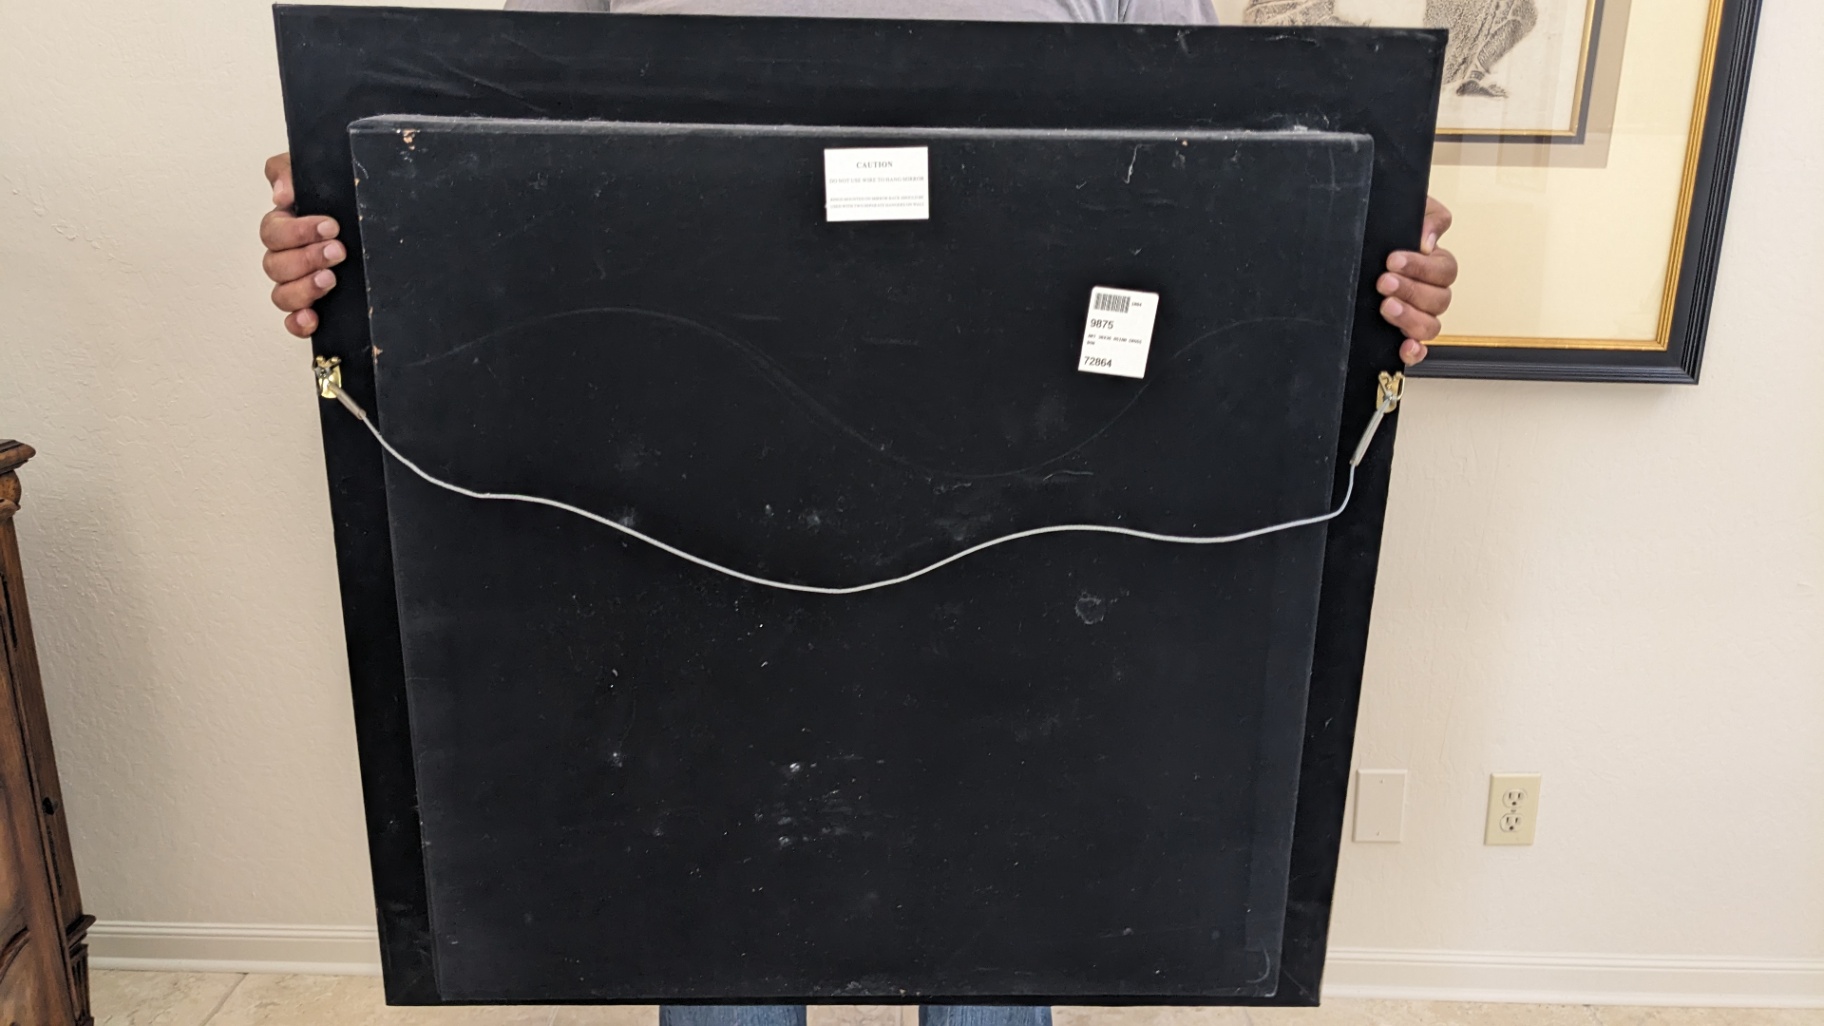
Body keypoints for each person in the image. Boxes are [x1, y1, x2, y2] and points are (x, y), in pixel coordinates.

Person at [259, 5, 1455, 1025]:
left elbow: (1241, 159)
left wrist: (1364, 253)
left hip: (1036, 533)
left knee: (1002, 913)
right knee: (717, 913)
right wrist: (352, 227)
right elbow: (504, 163)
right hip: (695, 537)